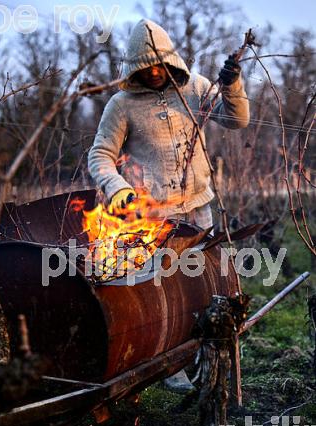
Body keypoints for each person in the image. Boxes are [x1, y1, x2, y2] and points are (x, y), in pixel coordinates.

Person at [88, 18, 250, 392]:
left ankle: (201, 351)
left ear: (171, 59)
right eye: (148, 67)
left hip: (199, 208)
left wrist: (231, 85)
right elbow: (100, 155)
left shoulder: (195, 87)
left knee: (201, 283)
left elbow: (237, 121)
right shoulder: (122, 104)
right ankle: (167, 364)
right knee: (161, 289)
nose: (156, 72)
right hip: (154, 218)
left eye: (161, 63)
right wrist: (116, 187)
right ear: (136, 67)